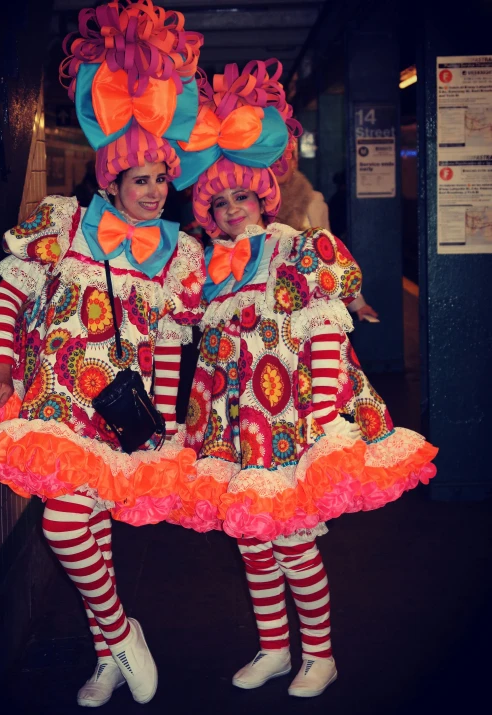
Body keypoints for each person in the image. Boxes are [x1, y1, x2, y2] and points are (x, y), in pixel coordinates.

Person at [142, 59, 438, 699]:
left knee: (295, 542)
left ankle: (320, 655)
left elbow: (336, 300)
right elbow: (174, 324)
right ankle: (275, 647)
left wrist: (330, 392)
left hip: (288, 421)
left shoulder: (292, 245)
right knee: (252, 537)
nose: (229, 210)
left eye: (239, 197)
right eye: (217, 203)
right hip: (229, 424)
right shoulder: (208, 268)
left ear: (263, 195)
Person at [0, 1, 204, 707]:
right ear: (111, 181)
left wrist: (164, 420)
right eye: (141, 180)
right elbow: (11, 290)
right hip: (55, 399)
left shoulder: (180, 254)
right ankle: (121, 629)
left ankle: (107, 655)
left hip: (121, 411)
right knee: (64, 520)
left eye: (161, 180)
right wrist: (3, 361)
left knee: (92, 524)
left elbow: (172, 342)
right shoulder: (64, 223)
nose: (153, 191)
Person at [278, 156, 378, 322]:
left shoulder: (312, 200)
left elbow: (329, 254)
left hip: (312, 302)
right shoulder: (252, 205)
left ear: (294, 162)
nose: (278, 163)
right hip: (275, 302)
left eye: (284, 156)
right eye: (271, 157)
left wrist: (357, 302)